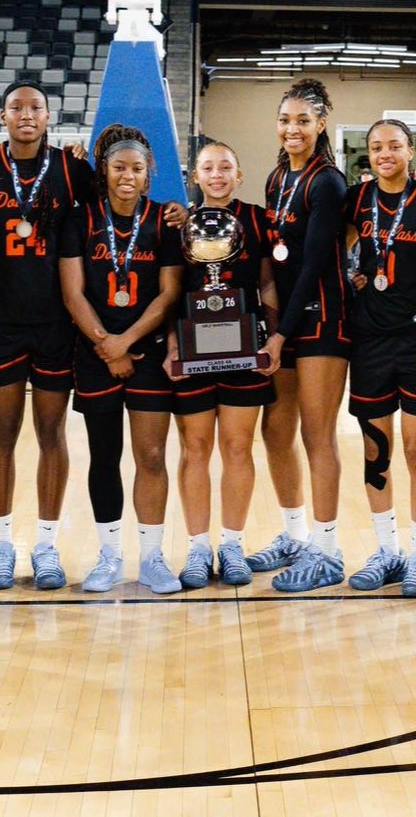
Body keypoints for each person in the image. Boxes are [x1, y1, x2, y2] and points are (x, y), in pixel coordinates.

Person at [0, 82, 95, 591]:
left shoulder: (72, 170)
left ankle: (46, 546)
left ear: (49, 116)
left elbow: (121, 204)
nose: (27, 115)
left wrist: (172, 212)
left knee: (51, 433)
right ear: (3, 115)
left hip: (56, 322)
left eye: (35, 107)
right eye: (17, 107)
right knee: (3, 432)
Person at [60, 127, 186, 594]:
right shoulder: (80, 220)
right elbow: (72, 291)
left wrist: (127, 340)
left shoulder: (165, 222)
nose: (127, 175)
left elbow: (170, 293)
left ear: (149, 172)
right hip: (95, 354)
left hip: (148, 352)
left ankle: (152, 558)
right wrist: (105, 344)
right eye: (119, 167)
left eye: (136, 168)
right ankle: (109, 556)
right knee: (104, 456)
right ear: (105, 171)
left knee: (151, 455)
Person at [341, 119, 416, 594]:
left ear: (412, 151)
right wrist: (355, 275)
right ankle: (387, 550)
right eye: (375, 147)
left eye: (394, 145)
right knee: (376, 448)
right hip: (369, 338)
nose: (384, 153)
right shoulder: (357, 199)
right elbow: (344, 246)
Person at [162, 141, 280, 588]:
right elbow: (172, 294)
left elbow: (267, 284)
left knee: (236, 447)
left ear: (239, 173)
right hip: (193, 353)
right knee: (195, 449)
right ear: (195, 175)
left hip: (245, 353)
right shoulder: (178, 224)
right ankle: (196, 548)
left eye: (225, 167)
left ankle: (231, 544)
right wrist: (173, 346)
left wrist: (274, 339)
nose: (217, 175)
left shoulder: (257, 220)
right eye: (208, 167)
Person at [253, 79, 353, 592]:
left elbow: (313, 263)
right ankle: (294, 534)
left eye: (303, 121)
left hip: (322, 320)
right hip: (286, 323)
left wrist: (280, 333)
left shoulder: (327, 182)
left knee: (317, 435)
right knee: (276, 431)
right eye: (285, 120)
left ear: (320, 126)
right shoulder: (276, 179)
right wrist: (272, 327)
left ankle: (328, 549)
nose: (292, 129)